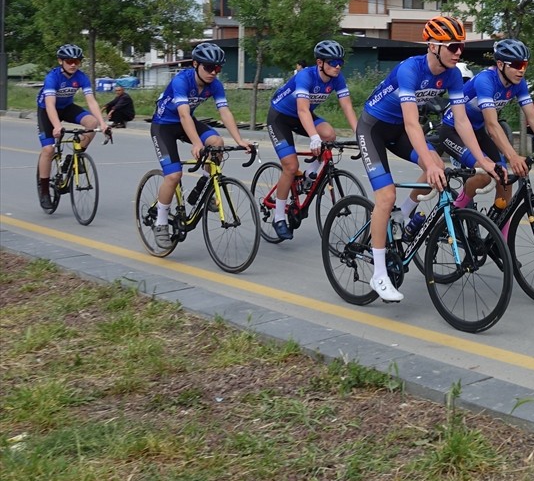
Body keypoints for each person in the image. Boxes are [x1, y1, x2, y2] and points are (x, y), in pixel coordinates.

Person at [355, 16, 500, 302]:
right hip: (373, 129)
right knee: (386, 195)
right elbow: (412, 123)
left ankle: (405, 213)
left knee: (438, 166)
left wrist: (483, 160)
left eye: (461, 47)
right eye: (454, 46)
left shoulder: (453, 74)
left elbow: (461, 122)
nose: (459, 52)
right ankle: (379, 274)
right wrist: (430, 163)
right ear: (433, 46)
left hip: (399, 131)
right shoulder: (410, 69)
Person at [435, 39, 534, 214]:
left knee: (504, 176)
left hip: (476, 131)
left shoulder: (519, 83)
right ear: (500, 64)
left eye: (525, 65)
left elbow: (533, 117)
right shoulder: (485, 81)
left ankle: (497, 234)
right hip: (453, 131)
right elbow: (492, 124)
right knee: (483, 176)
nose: (522, 70)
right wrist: (512, 156)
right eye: (517, 65)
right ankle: (453, 215)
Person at [148, 43, 253, 248]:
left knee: (217, 143)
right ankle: (161, 222)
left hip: (185, 122)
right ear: (195, 64)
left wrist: (240, 140)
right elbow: (184, 114)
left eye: (218, 68)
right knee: (173, 175)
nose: (213, 73)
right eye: (208, 67)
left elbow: (225, 112)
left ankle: (202, 187)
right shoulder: (181, 81)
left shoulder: (215, 85)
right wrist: (196, 143)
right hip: (164, 126)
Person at [263, 40, 357, 241]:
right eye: (333, 62)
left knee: (329, 135)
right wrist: (313, 137)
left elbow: (347, 106)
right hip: (281, 118)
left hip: (301, 117)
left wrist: (360, 134)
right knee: (289, 166)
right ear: (320, 62)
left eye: (340, 62)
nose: (338, 66)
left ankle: (309, 175)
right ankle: (279, 217)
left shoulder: (337, 78)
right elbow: (302, 109)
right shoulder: (306, 76)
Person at [36, 44, 109, 210]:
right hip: (48, 110)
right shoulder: (52, 78)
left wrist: (103, 123)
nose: (73, 64)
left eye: (76, 61)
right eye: (69, 61)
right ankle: (45, 191)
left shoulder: (81, 77)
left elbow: (91, 101)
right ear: (61, 61)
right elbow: (50, 104)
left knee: (92, 123)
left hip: (67, 108)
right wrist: (56, 126)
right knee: (48, 150)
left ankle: (73, 158)